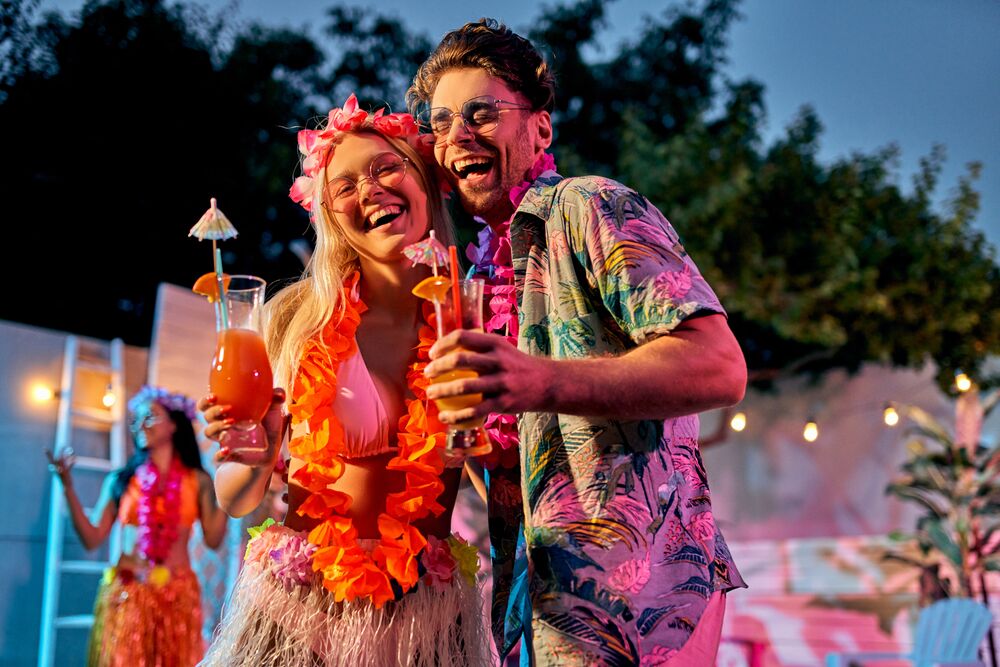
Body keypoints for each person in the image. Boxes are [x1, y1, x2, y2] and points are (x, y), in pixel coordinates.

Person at [407, 19, 748, 666]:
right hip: (534, 601)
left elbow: (720, 365)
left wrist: (541, 381)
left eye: (482, 112)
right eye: (441, 121)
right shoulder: (474, 276)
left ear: (540, 127)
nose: (457, 136)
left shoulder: (589, 207)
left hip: (639, 604)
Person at [198, 95, 489, 666]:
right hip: (298, 613)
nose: (371, 190)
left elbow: (493, 475)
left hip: (425, 620)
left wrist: (484, 432)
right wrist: (253, 458)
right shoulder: (292, 319)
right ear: (330, 215)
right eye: (346, 185)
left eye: (386, 169)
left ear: (427, 182)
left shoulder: (474, 317)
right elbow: (234, 498)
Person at [45, 385, 227, 666]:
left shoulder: (198, 481)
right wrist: (67, 487)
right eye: (136, 419)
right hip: (128, 594)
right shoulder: (121, 480)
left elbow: (214, 539)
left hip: (177, 599)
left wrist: (230, 483)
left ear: (174, 424)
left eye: (150, 416)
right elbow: (92, 538)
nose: (140, 425)